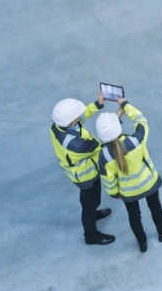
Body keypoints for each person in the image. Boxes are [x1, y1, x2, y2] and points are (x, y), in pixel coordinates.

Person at [95, 98, 162, 253]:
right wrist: (125, 105)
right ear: (118, 127)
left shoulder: (104, 156)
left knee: (134, 217)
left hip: (128, 191)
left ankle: (142, 243)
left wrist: (114, 193)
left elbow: (108, 180)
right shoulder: (137, 140)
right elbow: (140, 120)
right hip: (149, 183)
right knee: (155, 206)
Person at [50, 92, 116, 245]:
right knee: (89, 203)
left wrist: (98, 104)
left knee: (91, 201)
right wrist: (113, 129)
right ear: (72, 121)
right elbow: (101, 146)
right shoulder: (77, 145)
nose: (80, 117)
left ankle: (92, 213)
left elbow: (81, 116)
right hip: (87, 176)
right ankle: (90, 234)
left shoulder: (58, 126)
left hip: (80, 172)